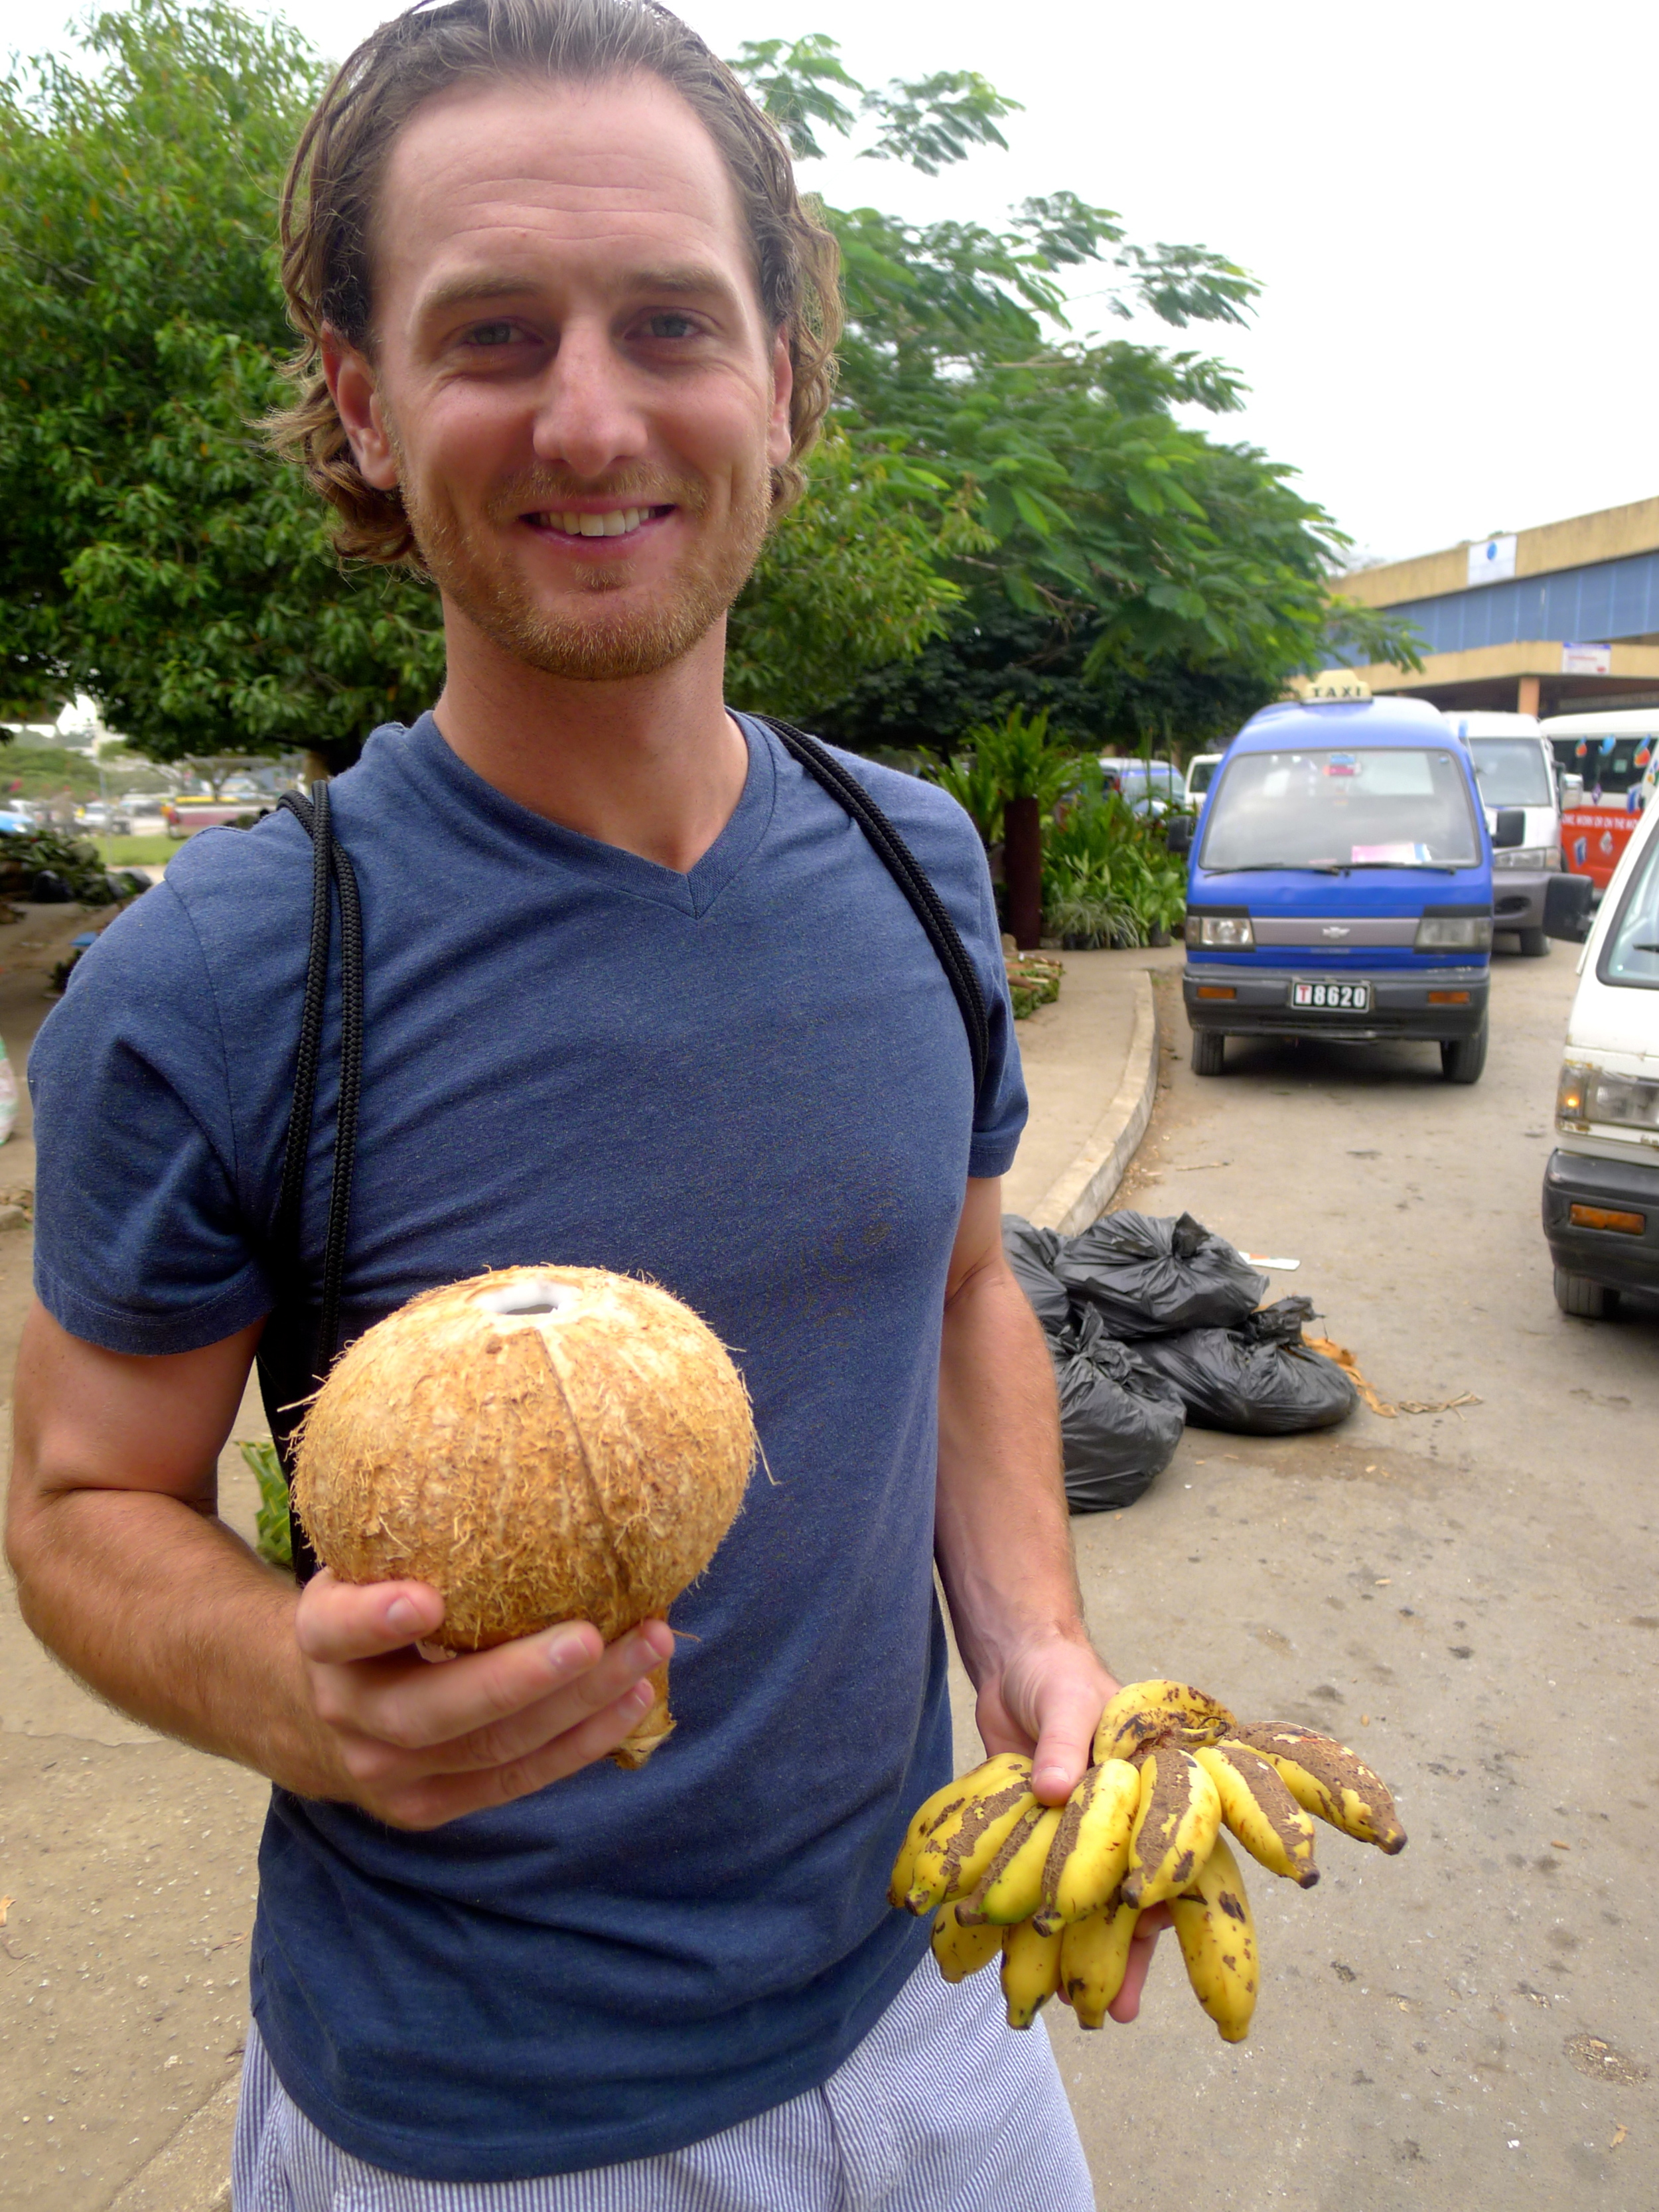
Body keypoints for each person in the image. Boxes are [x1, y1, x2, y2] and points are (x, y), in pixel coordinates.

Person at [6, 3, 1163, 2203]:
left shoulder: (913, 863)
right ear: (363, 397)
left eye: (668, 322)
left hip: (936, 2007)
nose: (591, 412)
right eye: (492, 331)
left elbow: (953, 1294)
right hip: (483, 2128)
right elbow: (78, 1508)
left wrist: (1030, 1640)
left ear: (788, 381)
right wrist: (287, 1686)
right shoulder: (230, 976)